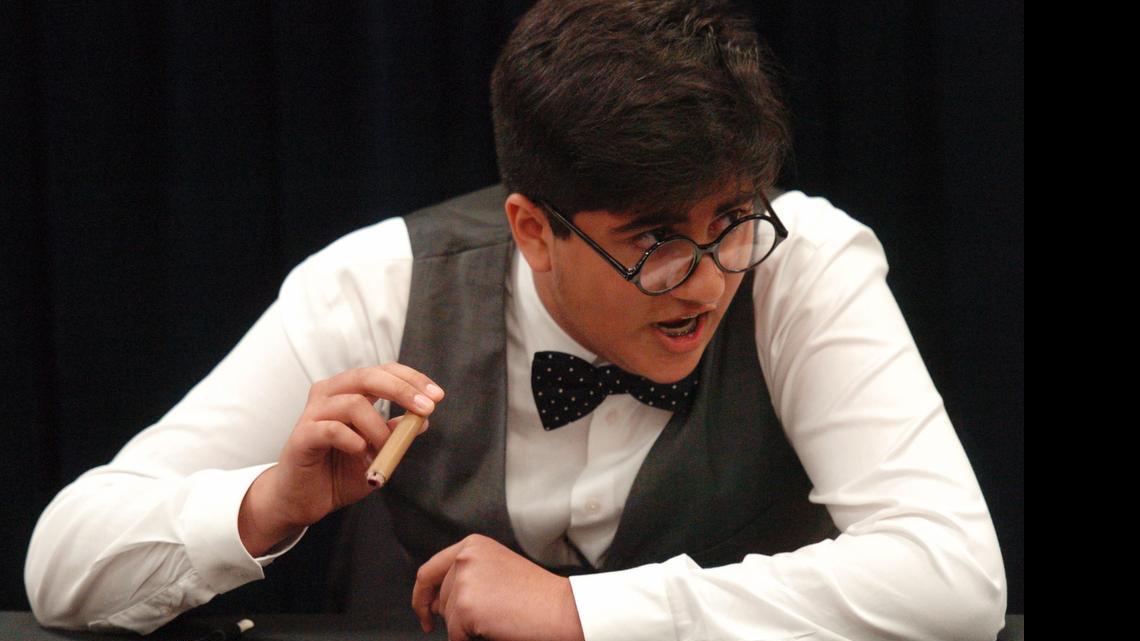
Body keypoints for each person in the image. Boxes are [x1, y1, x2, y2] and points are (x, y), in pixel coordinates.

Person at [25, 1, 1007, 640]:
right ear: (533, 229)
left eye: (730, 219)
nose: (708, 281)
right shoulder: (374, 284)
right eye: (657, 237)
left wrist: (583, 609)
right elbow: (61, 558)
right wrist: (263, 503)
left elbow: (955, 576)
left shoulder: (799, 259)